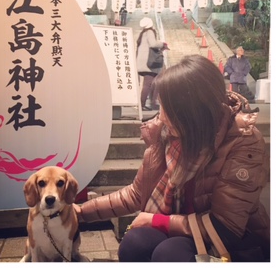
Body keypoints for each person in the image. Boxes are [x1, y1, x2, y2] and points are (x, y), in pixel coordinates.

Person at [74, 55, 269, 262]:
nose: (162, 116)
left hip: (233, 241)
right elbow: (136, 194)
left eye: (167, 108)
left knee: (170, 253)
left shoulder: (242, 140)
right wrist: (79, 212)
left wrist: (157, 221)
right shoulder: (170, 134)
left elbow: (226, 227)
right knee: (135, 242)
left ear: (192, 112)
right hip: (184, 229)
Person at [135, 17, 168, 111]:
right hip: (149, 63)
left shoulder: (143, 34)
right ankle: (142, 105)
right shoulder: (149, 32)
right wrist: (162, 43)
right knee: (148, 84)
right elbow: (153, 44)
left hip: (143, 63)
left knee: (151, 82)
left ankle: (152, 102)